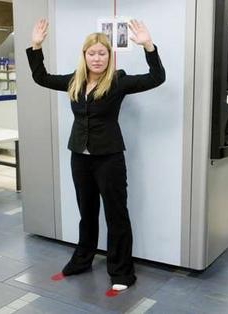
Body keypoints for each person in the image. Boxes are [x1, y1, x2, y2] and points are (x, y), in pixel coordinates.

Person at [26, 18, 165, 292]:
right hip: (80, 156)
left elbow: (156, 77)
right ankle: (81, 261)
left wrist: (148, 45)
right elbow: (40, 77)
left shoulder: (118, 81)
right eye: (92, 53)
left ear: (109, 56)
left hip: (109, 158)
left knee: (116, 215)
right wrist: (36, 45)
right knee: (86, 213)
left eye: (102, 53)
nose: (97, 58)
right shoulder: (74, 81)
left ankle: (121, 272)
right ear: (85, 56)